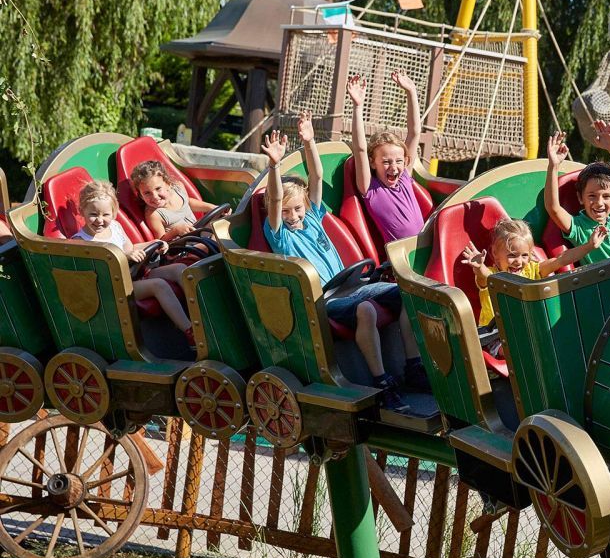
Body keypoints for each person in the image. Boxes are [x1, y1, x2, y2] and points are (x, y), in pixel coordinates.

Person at [260, 115, 427, 405]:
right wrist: (274, 165)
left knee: (410, 295)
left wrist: (310, 142)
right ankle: (381, 381)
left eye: (297, 209)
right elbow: (275, 200)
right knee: (366, 310)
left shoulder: (312, 217)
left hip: (353, 284)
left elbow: (316, 176)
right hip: (325, 298)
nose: (294, 216)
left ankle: (412, 366)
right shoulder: (280, 234)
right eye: (288, 212)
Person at [460, 219, 607, 356]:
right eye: (512, 255)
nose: (518, 261)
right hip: (498, 334)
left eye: (524, 255)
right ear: (495, 254)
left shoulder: (534, 270)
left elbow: (561, 259)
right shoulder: (494, 276)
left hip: (529, 329)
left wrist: (589, 246)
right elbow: (485, 276)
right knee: (521, 347)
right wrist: (479, 267)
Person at [71, 181, 194, 344]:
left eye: (106, 215)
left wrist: (155, 243)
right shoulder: (81, 242)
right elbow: (96, 272)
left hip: (135, 274)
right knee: (159, 285)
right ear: (82, 211)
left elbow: (130, 248)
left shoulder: (115, 226)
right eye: (93, 214)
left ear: (114, 213)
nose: (100, 220)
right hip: (114, 287)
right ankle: (190, 332)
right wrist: (125, 257)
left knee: (179, 269)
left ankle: (201, 316)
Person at [545, 120, 610, 265]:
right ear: (580, 198)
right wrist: (553, 166)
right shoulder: (579, 227)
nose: (599, 203)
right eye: (592, 196)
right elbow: (553, 207)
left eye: (606, 196)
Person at [348, 71, 425, 242]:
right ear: (373, 163)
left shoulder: (404, 177)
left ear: (405, 161)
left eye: (398, 161)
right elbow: (360, 148)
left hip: (424, 249)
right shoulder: (370, 188)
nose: (393, 167)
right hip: (400, 261)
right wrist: (358, 107)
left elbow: (414, 132)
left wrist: (411, 92)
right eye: (385, 162)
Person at [129, 160, 219, 241]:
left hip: (199, 233)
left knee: (223, 224)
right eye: (147, 193)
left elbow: (188, 202)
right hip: (185, 247)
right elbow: (161, 242)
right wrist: (176, 231)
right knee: (212, 242)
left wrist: (212, 208)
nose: (155, 196)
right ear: (141, 195)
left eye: (158, 188)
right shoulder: (154, 215)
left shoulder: (178, 187)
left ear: (168, 184)